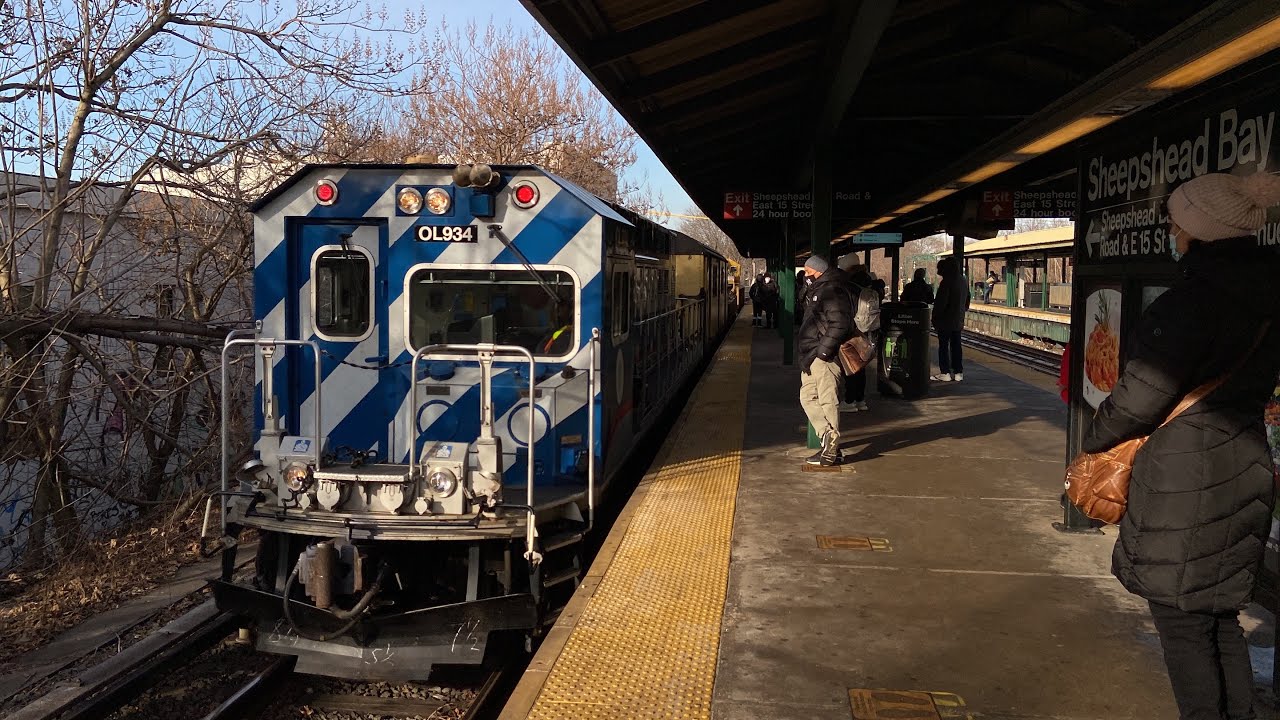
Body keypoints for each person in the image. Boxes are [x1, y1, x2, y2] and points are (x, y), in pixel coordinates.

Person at [1082, 171, 1280, 720]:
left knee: (1181, 624)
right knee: (1216, 619)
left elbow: (1140, 396)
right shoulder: (1266, 296)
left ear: (1200, 230)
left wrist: (1094, 442)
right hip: (1244, 463)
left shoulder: (1190, 304)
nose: (1171, 231)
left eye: (1176, 222)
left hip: (1187, 477)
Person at [797, 254, 852, 466]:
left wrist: (823, 351)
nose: (806, 276)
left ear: (818, 271)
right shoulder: (819, 289)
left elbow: (840, 323)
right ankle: (828, 437)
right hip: (812, 354)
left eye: (808, 272)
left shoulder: (833, 291)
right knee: (808, 396)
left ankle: (831, 450)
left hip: (823, 356)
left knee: (827, 399)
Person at [836, 255, 876, 413]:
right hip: (866, 328)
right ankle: (860, 400)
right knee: (861, 365)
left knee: (850, 365)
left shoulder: (849, 284)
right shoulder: (868, 280)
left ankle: (850, 400)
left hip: (853, 328)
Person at [931, 258, 970, 382]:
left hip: (945, 320)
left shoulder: (947, 282)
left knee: (943, 346)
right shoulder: (963, 281)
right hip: (958, 319)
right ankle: (958, 372)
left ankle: (945, 372)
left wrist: (935, 317)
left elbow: (941, 303)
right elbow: (967, 298)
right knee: (956, 346)